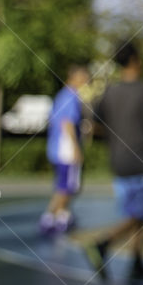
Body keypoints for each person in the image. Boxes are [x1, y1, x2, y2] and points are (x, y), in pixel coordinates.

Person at [85, 41, 143, 281]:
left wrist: (115, 136)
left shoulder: (109, 92)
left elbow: (95, 123)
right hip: (142, 160)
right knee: (140, 214)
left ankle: (137, 262)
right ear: (135, 60)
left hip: (118, 161)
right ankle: (103, 243)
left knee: (137, 213)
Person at [40, 64, 90, 235]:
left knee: (64, 186)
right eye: (84, 77)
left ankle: (61, 215)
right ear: (74, 76)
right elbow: (67, 123)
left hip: (57, 150)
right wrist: (76, 148)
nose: (86, 81)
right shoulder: (71, 96)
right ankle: (52, 218)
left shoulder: (62, 96)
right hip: (66, 151)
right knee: (68, 187)